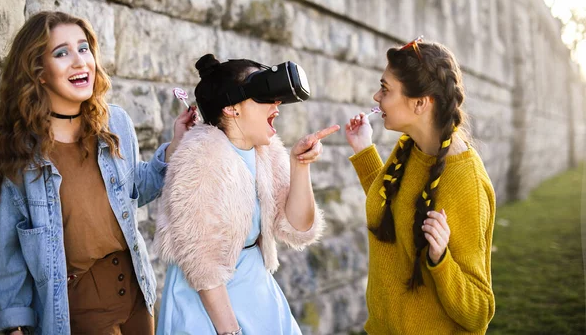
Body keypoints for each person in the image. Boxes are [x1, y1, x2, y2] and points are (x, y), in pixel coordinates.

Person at [0, 11, 197, 335]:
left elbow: (135, 188)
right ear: (39, 72)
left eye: (83, 49)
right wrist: (15, 326)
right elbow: (8, 254)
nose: (79, 61)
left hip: (137, 297)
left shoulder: (115, 123)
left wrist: (175, 146)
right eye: (62, 53)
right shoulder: (21, 153)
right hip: (77, 311)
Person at [154, 54, 339, 335]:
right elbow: (201, 264)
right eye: (265, 97)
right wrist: (231, 332)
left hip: (257, 288)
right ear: (231, 109)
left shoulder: (265, 150)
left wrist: (299, 166)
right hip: (210, 304)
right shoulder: (200, 158)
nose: (276, 105)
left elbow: (298, 228)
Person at [345, 37, 496, 334]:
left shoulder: (467, 183)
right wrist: (364, 151)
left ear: (420, 103)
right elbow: (398, 210)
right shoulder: (410, 148)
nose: (376, 96)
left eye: (386, 89)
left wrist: (440, 261)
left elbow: (479, 312)